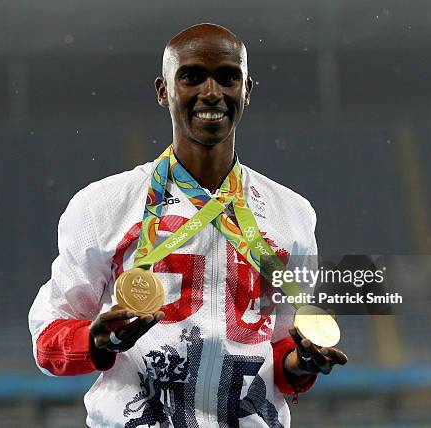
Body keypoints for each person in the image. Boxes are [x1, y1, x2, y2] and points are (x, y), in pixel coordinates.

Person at [28, 23, 347, 428]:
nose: (211, 92)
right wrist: (97, 340)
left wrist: (302, 364)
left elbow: (281, 349)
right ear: (164, 91)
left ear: (247, 89)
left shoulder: (293, 215)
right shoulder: (103, 206)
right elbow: (47, 338)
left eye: (228, 77)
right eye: (192, 76)